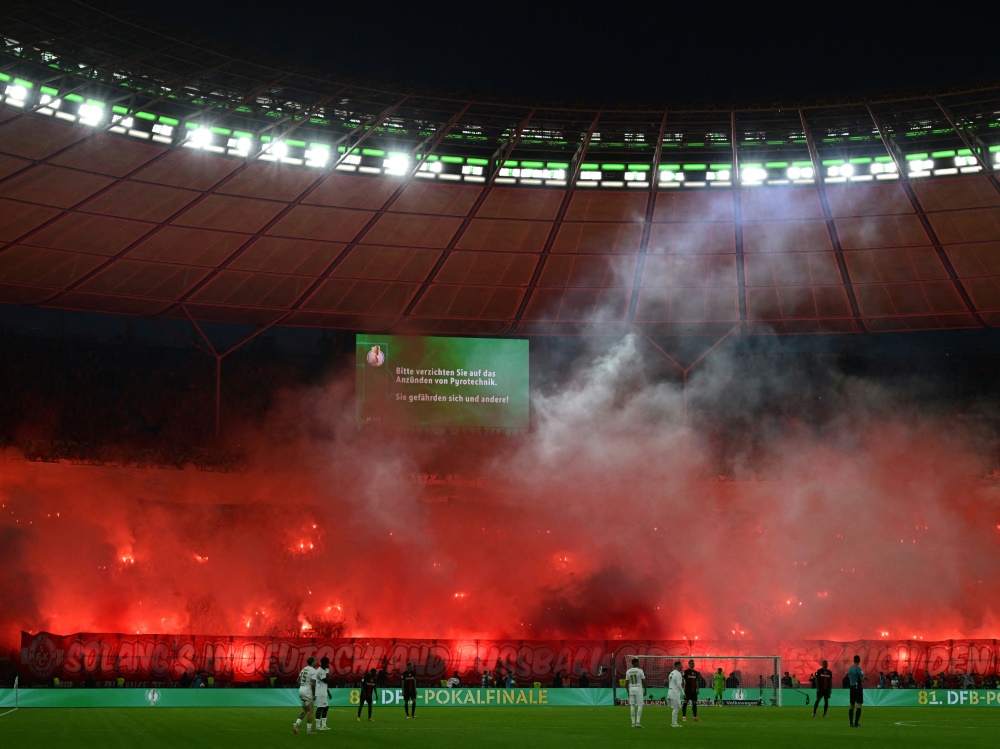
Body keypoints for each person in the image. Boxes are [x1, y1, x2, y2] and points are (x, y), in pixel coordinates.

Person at [292, 656, 318, 735]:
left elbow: (297, 680)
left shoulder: (304, 669)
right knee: (311, 711)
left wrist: (303, 685)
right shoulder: (314, 671)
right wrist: (313, 694)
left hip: (301, 690)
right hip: (307, 691)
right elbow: (313, 684)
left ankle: (296, 724)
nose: (316, 662)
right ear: (313, 662)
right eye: (315, 661)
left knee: (305, 710)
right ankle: (309, 731)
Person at [624, 657, 647, 728]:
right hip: (638, 688)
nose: (639, 664)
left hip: (631, 688)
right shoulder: (640, 671)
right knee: (640, 705)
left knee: (632, 705)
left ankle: (633, 723)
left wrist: (628, 691)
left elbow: (626, 682)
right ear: (635, 663)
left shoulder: (628, 671)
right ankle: (638, 722)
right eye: (638, 662)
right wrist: (645, 689)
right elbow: (643, 681)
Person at [314, 657, 332, 730]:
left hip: (323, 692)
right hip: (320, 692)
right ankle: (318, 726)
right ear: (323, 663)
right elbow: (326, 681)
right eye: (327, 663)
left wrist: (328, 692)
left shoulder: (323, 670)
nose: (328, 664)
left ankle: (323, 725)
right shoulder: (320, 671)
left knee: (326, 707)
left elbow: (324, 684)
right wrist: (327, 671)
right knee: (320, 708)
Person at [848, 654, 865, 728]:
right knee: (859, 704)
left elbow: (851, 677)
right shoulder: (858, 669)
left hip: (851, 687)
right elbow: (862, 679)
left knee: (852, 705)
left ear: (853, 660)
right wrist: (864, 677)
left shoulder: (850, 668)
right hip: (857, 687)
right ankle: (856, 723)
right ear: (859, 661)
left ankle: (851, 723)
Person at [667, 661, 684, 728]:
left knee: (675, 708)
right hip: (674, 693)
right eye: (681, 665)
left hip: (670, 691)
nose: (682, 666)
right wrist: (683, 693)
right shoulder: (678, 674)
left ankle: (674, 722)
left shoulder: (671, 673)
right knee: (676, 708)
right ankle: (674, 723)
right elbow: (679, 685)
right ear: (677, 666)